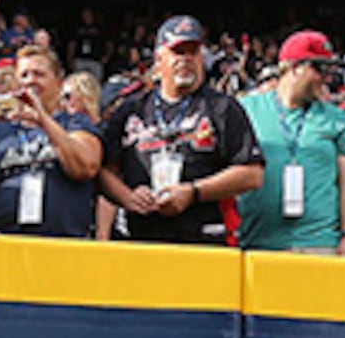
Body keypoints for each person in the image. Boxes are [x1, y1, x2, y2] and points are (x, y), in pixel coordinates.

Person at [98, 15, 261, 246]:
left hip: (204, 239)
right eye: (178, 51)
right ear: (158, 58)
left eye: (192, 52)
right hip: (142, 239)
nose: (186, 59)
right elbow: (105, 171)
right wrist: (128, 197)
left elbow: (252, 174)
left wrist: (193, 191)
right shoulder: (132, 109)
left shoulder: (223, 107)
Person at [238, 30, 345, 254]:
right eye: (320, 69)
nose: (327, 78)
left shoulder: (336, 118)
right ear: (294, 68)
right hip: (258, 242)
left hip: (320, 243)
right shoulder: (247, 110)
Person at [0, 39, 103, 238]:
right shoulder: (0, 129)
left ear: (59, 83)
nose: (30, 81)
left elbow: (85, 167)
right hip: (2, 239)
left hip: (61, 243)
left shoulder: (74, 123)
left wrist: (43, 120)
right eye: (24, 75)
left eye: (39, 74)